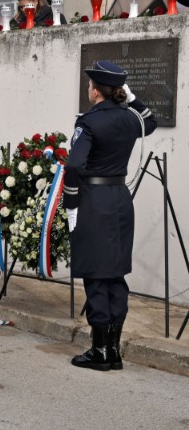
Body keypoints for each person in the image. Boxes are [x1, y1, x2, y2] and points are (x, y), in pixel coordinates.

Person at [65, 60, 157, 371]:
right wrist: (133, 100)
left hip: (93, 200)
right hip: (120, 199)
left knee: (95, 273)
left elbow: (75, 165)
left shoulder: (88, 122)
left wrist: (71, 202)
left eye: (90, 85)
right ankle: (114, 349)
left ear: (95, 90)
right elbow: (152, 122)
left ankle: (99, 351)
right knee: (116, 274)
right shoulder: (130, 119)